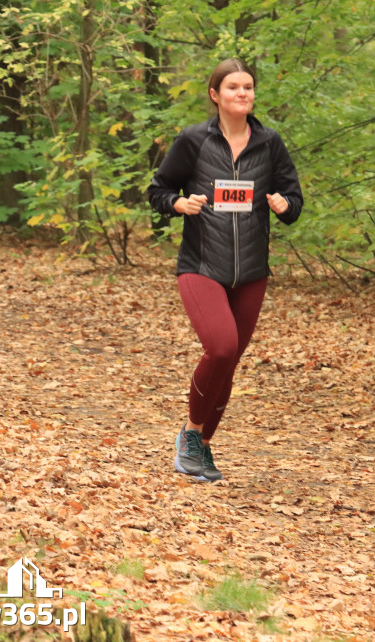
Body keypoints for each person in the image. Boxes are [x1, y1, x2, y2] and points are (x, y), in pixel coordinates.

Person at [148, 58, 303, 482]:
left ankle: (202, 444)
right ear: (215, 95)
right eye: (233, 87)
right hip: (201, 265)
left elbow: (293, 198)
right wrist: (178, 203)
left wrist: (284, 205)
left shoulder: (269, 143)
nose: (243, 94)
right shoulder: (194, 140)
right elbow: (158, 190)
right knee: (220, 348)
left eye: (248, 87)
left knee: (230, 360)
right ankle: (190, 437)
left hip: (251, 271)